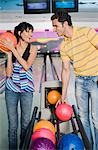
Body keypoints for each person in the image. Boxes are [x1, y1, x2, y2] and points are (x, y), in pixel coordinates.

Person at [51, 11, 98, 150]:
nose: (54, 29)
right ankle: (90, 147)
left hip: (96, 79)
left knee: (96, 119)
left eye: (55, 26)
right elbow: (65, 71)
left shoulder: (86, 32)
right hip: (80, 82)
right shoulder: (63, 46)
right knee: (83, 119)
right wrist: (63, 96)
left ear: (65, 24)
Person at [0, 22, 38, 150]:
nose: (30, 34)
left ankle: (24, 147)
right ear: (19, 33)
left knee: (25, 124)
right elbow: (9, 74)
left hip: (26, 90)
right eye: (27, 31)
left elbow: (26, 66)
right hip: (11, 90)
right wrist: (9, 54)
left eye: (31, 31)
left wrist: (13, 50)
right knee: (13, 126)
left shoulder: (33, 49)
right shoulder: (12, 49)